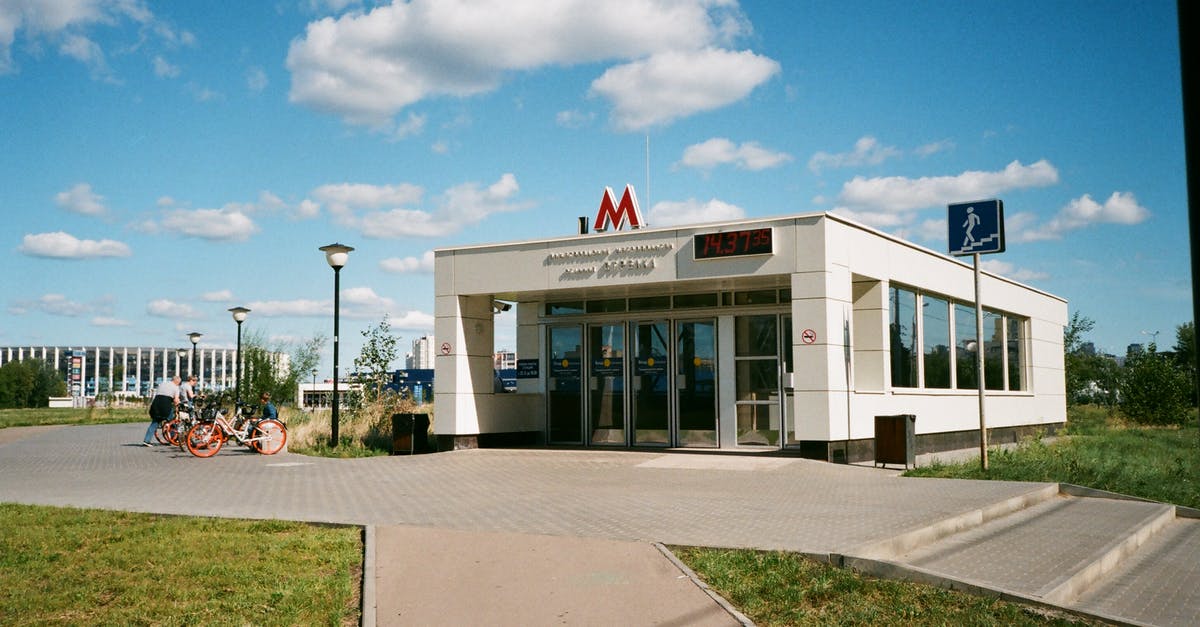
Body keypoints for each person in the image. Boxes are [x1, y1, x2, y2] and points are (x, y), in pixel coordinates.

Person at [143, 375, 180, 446]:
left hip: (156, 404)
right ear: (177, 382)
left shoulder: (163, 384)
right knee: (172, 422)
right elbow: (176, 400)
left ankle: (146, 440)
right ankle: (174, 439)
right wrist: (178, 404)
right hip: (165, 405)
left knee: (155, 422)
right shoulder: (176, 387)